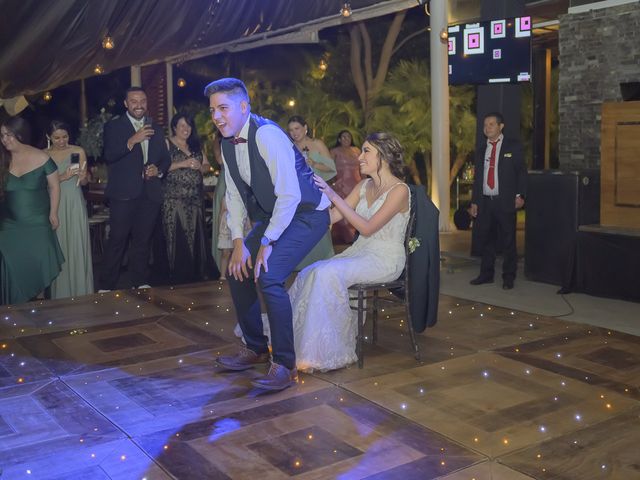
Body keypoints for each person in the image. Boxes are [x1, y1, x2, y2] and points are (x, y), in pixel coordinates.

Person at [206, 77, 330, 391]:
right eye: (213, 110)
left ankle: (285, 365)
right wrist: (238, 243)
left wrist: (266, 242)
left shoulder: (268, 135)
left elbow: (289, 194)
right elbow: (233, 196)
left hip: (306, 214)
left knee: (269, 275)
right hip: (273, 216)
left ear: (243, 106)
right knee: (238, 270)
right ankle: (256, 347)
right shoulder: (226, 143)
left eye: (223, 108)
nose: (217, 116)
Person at [289, 132, 410, 372]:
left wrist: (333, 194)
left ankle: (322, 351)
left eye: (366, 151)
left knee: (327, 273)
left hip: (385, 258)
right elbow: (334, 215)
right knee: (311, 271)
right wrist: (303, 210)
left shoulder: (400, 190)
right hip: (360, 253)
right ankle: (298, 341)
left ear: (383, 157)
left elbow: (367, 228)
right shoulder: (364, 185)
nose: (360, 157)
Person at [99, 86, 170, 292]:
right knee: (117, 240)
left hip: (149, 193)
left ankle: (139, 281)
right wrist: (132, 140)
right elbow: (110, 155)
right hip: (123, 194)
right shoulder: (114, 127)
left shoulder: (155, 127)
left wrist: (158, 170)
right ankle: (106, 285)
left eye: (142, 101)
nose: (139, 105)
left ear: (146, 103)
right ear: (126, 104)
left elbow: (165, 159)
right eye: (134, 101)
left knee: (142, 241)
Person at [0, 117, 64, 305]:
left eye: (9, 135)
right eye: (2, 136)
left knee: (38, 266)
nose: (5, 140)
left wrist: (53, 213)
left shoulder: (42, 157)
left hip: (38, 223)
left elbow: (54, 186)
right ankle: (11, 309)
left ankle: (38, 311)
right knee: (10, 265)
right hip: (9, 225)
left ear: (20, 134)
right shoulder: (3, 159)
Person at [469, 112, 526, 290]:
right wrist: (474, 202)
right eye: (485, 125)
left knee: (508, 240)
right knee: (486, 240)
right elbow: (478, 179)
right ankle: (486, 274)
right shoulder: (480, 150)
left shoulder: (513, 147)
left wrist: (520, 195)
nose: (487, 128)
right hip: (486, 201)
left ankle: (509, 277)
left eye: (491, 124)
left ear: (501, 127)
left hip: (505, 200)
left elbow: (521, 173)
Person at [162, 113, 218, 283]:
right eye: (182, 126)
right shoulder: (166, 143)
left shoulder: (195, 146)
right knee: (177, 236)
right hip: (174, 199)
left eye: (188, 126)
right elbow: (160, 167)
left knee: (195, 235)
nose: (185, 129)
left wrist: (202, 167)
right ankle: (176, 274)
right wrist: (183, 164)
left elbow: (208, 165)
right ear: (174, 127)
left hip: (194, 199)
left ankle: (195, 273)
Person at [45, 120, 94, 298]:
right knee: (58, 246)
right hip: (53, 203)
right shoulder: (43, 155)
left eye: (64, 136)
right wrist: (62, 176)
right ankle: (60, 293)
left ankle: (81, 290)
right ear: (48, 137)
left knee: (76, 243)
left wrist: (83, 177)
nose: (61, 141)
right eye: (56, 137)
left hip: (74, 202)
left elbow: (83, 182)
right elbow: (40, 182)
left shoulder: (77, 151)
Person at [287, 115, 335, 270]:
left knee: (319, 229)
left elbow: (332, 169)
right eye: (291, 130)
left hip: (317, 193)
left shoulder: (317, 144)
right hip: (297, 196)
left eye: (297, 128)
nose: (294, 133)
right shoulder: (288, 147)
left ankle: (322, 262)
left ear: (305, 127)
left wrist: (315, 164)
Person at [330, 129, 362, 244]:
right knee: (343, 211)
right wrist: (333, 183)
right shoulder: (334, 151)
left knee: (356, 210)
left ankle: (356, 236)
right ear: (339, 139)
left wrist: (364, 182)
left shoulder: (357, 150)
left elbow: (362, 168)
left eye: (348, 137)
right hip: (341, 185)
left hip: (356, 184)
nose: (346, 139)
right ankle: (347, 238)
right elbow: (329, 169)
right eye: (343, 137)